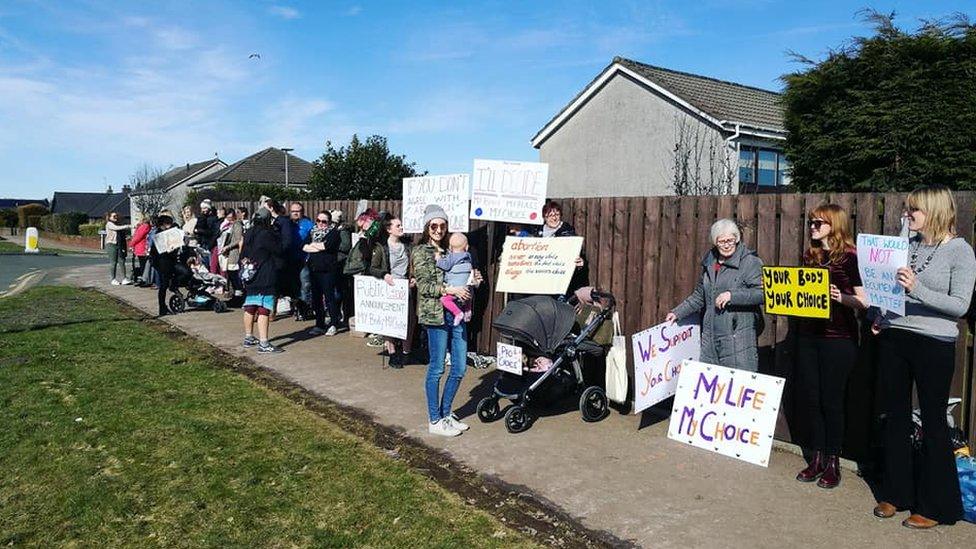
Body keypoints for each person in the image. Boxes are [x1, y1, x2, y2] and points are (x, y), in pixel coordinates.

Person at [872, 185, 976, 528]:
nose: (907, 215)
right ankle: (897, 493)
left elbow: (960, 305)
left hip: (934, 342)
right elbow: (890, 288)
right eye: (907, 209)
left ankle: (935, 505)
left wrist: (917, 289)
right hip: (895, 336)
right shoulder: (909, 247)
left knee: (932, 420)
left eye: (914, 210)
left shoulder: (960, 252)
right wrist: (882, 314)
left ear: (933, 211)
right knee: (896, 417)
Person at [793, 204, 868, 489]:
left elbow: (865, 301)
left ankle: (833, 462)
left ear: (833, 224)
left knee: (832, 401)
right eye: (811, 222)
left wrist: (841, 297)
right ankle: (817, 458)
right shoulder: (810, 256)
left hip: (838, 340)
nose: (812, 227)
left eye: (818, 223)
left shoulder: (849, 257)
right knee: (812, 399)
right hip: (809, 336)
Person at [413, 204, 482, 437]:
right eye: (434, 225)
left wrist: (474, 278)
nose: (438, 229)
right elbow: (424, 286)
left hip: (457, 314)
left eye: (442, 225)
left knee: (460, 367)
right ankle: (434, 419)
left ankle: (446, 413)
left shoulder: (452, 250)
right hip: (436, 315)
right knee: (437, 368)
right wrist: (450, 289)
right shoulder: (422, 252)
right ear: (427, 227)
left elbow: (463, 273)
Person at [666, 218, 764, 372]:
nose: (726, 245)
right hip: (710, 339)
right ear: (715, 243)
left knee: (736, 386)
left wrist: (732, 296)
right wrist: (677, 313)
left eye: (730, 241)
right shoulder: (710, 263)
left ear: (737, 239)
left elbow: (763, 293)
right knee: (711, 388)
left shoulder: (750, 263)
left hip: (738, 340)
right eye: (721, 242)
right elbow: (700, 295)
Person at [240, 208, 284, 353]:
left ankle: (248, 337)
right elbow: (278, 249)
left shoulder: (248, 233)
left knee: (250, 306)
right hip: (265, 274)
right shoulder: (266, 234)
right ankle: (264, 343)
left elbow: (243, 252)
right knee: (264, 308)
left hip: (250, 274)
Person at [378, 215, 416, 368]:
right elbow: (373, 267)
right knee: (390, 321)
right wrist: (384, 274)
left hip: (406, 288)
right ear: (389, 229)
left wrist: (413, 277)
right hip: (389, 288)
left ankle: (407, 352)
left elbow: (412, 265)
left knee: (409, 320)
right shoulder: (382, 247)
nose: (401, 228)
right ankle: (392, 352)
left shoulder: (407, 246)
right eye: (398, 226)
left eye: (401, 225)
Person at [303, 210, 343, 336]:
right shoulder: (312, 231)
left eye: (324, 221)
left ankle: (333, 323)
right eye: (318, 220)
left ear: (329, 222)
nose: (320, 224)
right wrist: (317, 246)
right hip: (314, 269)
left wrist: (315, 246)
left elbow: (327, 246)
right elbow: (304, 246)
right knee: (316, 298)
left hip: (328, 270)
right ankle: (319, 323)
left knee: (329, 297)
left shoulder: (334, 233)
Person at [537, 200, 588, 297]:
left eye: (557, 214)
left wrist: (581, 264)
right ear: (544, 217)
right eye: (550, 215)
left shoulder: (568, 233)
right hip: (541, 283)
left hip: (560, 284)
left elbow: (579, 256)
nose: (554, 218)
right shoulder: (537, 234)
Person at [436, 233, 473, 326]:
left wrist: (438, 259)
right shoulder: (468, 256)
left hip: (455, 288)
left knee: (444, 300)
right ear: (467, 247)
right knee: (468, 296)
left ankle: (458, 313)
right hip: (467, 287)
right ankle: (468, 310)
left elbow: (445, 266)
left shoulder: (452, 257)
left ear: (450, 247)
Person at [149, 214, 182, 316]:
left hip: (168, 261)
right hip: (162, 262)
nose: (170, 225)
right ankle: (162, 307)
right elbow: (159, 250)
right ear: (163, 224)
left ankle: (164, 305)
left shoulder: (167, 233)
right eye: (168, 224)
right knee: (163, 286)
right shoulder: (159, 234)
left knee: (167, 282)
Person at [290, 202, 315, 317]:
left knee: (305, 285)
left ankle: (305, 310)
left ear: (302, 212)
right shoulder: (287, 224)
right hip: (290, 260)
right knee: (293, 286)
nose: (295, 213)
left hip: (304, 259)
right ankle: (295, 308)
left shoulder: (309, 224)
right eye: (293, 211)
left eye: (297, 211)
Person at [333, 209, 354, 327]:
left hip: (342, 263)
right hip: (336, 263)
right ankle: (339, 315)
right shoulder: (338, 230)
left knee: (341, 292)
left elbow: (346, 246)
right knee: (339, 291)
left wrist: (332, 243)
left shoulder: (343, 231)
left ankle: (344, 316)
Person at [220, 209, 244, 297]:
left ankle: (238, 293)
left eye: (231, 216)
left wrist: (227, 247)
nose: (229, 218)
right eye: (228, 217)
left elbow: (238, 240)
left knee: (233, 273)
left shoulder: (237, 224)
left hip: (235, 253)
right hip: (229, 253)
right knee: (230, 274)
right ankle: (234, 292)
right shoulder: (230, 225)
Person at [104, 211, 132, 285]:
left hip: (119, 244)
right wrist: (127, 226)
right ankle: (113, 279)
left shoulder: (118, 223)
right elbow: (116, 228)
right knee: (113, 262)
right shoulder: (109, 224)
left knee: (122, 261)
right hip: (111, 244)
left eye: (116, 216)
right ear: (109, 217)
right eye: (114, 216)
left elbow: (121, 233)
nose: (116, 217)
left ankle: (124, 278)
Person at [128, 215, 151, 286]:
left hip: (141, 247)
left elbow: (138, 237)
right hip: (139, 247)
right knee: (142, 263)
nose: (137, 220)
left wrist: (131, 244)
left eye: (137, 218)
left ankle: (144, 279)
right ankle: (142, 278)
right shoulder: (142, 226)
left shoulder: (144, 226)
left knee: (143, 264)